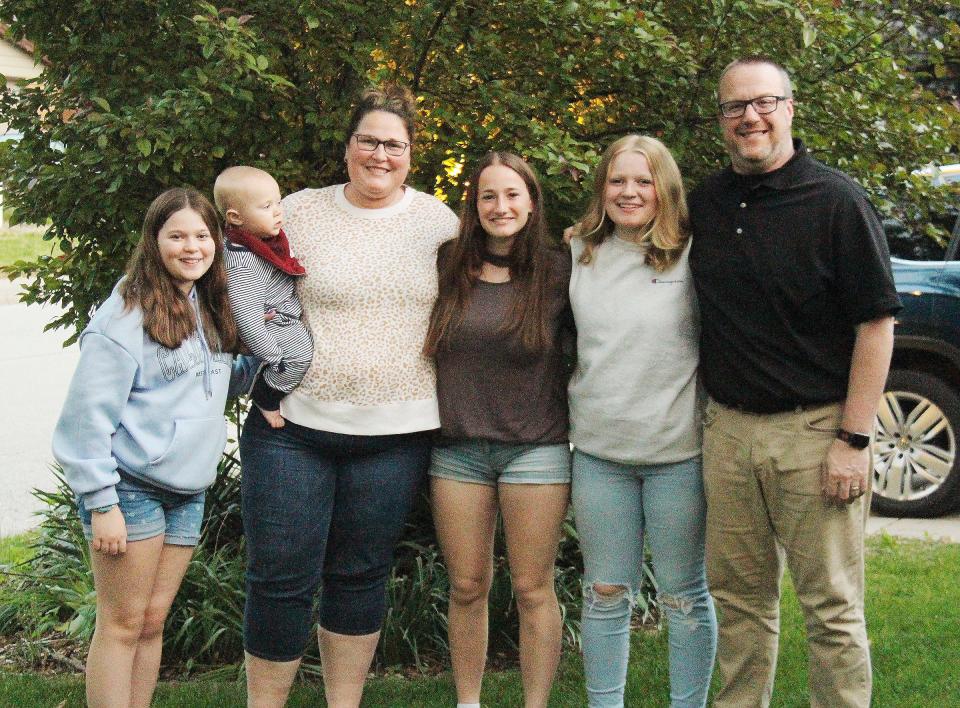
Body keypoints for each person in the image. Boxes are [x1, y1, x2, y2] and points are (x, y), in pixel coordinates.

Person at [688, 56, 901, 707]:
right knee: (740, 606)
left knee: (831, 608)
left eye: (764, 102)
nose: (750, 116)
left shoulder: (836, 200)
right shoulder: (705, 203)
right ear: (722, 119)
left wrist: (854, 440)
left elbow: (876, 324)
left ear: (789, 108)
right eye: (735, 106)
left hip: (815, 435)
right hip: (727, 434)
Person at [239, 84, 460, 708]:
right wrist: (251, 370)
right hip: (293, 428)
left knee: (359, 577)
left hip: (397, 434)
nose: (381, 154)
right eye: (369, 141)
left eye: (395, 144)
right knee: (280, 576)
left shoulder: (439, 222)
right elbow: (236, 276)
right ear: (347, 150)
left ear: (412, 154)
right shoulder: (299, 212)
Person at [51, 188, 240, 708]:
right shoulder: (123, 318)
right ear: (154, 241)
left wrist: (275, 361)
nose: (191, 247)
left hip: (188, 490)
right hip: (130, 490)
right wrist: (101, 503)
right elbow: (84, 422)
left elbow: (213, 380)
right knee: (122, 623)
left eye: (202, 236)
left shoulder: (206, 305)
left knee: (152, 623)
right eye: (176, 235)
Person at [567, 135, 716, 708]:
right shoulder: (578, 252)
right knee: (605, 594)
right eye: (617, 181)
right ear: (602, 188)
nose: (629, 192)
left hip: (678, 456)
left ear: (665, 190)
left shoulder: (693, 255)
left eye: (643, 181)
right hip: (601, 457)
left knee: (683, 596)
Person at [423, 152, 573, 708]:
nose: (500, 206)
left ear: (532, 202)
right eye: (488, 196)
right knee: (466, 587)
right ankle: (469, 702)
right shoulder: (446, 265)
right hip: (458, 451)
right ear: (474, 205)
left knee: (534, 589)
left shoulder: (560, 270)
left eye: (512, 195)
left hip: (535, 450)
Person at [214, 165, 313, 429]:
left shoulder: (260, 240)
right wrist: (271, 353)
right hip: (272, 321)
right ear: (235, 217)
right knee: (300, 356)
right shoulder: (243, 262)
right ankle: (265, 396)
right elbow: (246, 315)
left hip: (278, 315)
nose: (278, 211)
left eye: (279, 202)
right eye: (266, 206)